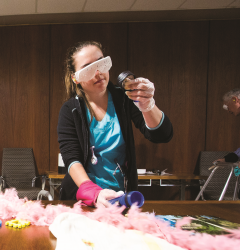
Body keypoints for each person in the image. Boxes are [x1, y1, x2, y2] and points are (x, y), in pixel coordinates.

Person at [57, 41, 173, 206]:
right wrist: (93, 192)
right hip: (83, 199)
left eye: (101, 63)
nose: (98, 72)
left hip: (121, 197)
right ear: (75, 78)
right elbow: (72, 159)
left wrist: (147, 105)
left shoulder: (124, 99)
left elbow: (162, 135)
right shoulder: (70, 110)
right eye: (88, 68)